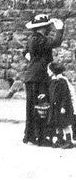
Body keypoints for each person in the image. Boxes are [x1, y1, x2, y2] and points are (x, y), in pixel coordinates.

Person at [22, 14, 65, 145]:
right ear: (42, 27)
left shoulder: (34, 38)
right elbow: (55, 42)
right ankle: (39, 137)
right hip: (37, 77)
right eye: (47, 26)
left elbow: (25, 52)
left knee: (34, 107)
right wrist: (60, 30)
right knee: (40, 107)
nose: (49, 28)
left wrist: (33, 58)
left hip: (35, 76)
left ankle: (31, 135)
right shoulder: (38, 39)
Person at [47, 62, 75, 149]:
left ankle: (69, 141)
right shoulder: (53, 81)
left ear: (53, 71)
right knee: (57, 124)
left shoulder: (62, 81)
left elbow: (65, 95)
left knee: (64, 124)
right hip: (55, 107)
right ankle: (60, 140)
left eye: (48, 70)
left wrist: (63, 107)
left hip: (62, 107)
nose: (47, 72)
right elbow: (51, 93)